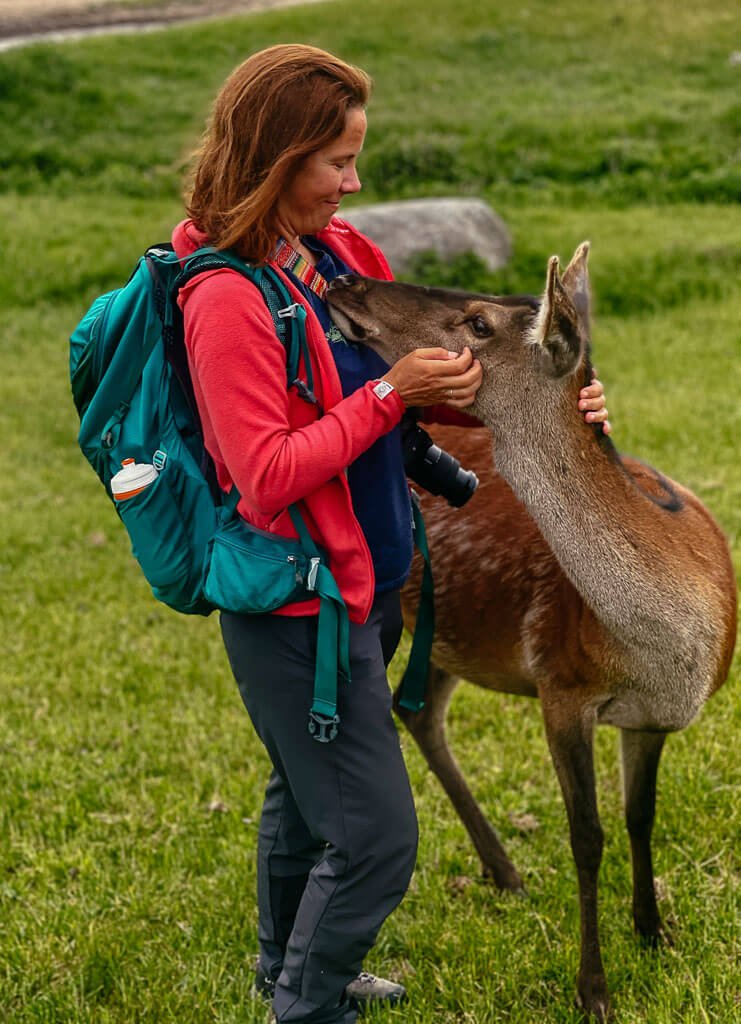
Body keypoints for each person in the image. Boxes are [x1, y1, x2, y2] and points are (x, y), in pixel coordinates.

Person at [173, 43, 610, 1024]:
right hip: (294, 609)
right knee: (375, 838)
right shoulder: (225, 300)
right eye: (337, 161)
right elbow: (266, 473)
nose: (354, 182)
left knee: (303, 797)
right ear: (276, 159)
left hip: (366, 586)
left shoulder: (335, 257)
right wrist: (387, 395)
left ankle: (286, 968)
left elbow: (431, 387)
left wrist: (552, 401)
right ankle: (308, 1005)